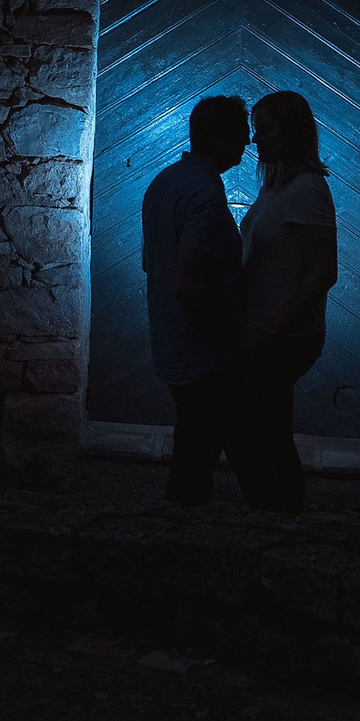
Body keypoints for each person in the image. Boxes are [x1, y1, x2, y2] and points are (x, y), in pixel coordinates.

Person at [142, 94, 285, 507]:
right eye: (243, 135)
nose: (250, 143)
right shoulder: (204, 195)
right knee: (241, 450)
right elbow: (186, 281)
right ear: (222, 138)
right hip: (204, 351)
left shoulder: (165, 182)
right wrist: (234, 335)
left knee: (196, 447)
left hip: (173, 344)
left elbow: (152, 263)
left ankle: (180, 540)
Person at [234, 89, 341, 514]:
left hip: (284, 335)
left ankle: (279, 515)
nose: (255, 140)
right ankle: (278, 515)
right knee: (266, 428)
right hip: (266, 329)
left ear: (290, 132)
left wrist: (274, 325)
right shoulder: (275, 186)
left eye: (264, 130)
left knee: (257, 428)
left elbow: (322, 272)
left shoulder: (307, 191)